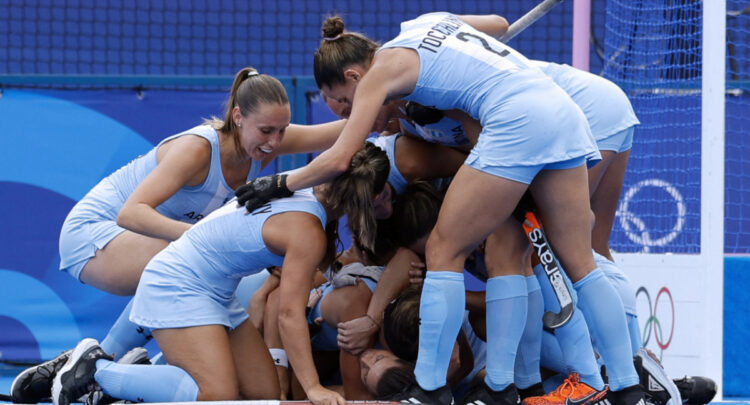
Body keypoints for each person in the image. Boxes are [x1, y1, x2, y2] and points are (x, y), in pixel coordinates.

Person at [232, 13, 644, 405]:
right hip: (561, 111)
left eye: (346, 102)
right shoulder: (424, 25)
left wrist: (280, 183)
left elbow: (341, 156)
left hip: (520, 121)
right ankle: (627, 386)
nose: (353, 113)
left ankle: (431, 388)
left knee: (444, 249)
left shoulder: (380, 77)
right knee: (579, 261)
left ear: (355, 76)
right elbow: (499, 25)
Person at [10, 67, 347, 404]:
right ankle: (98, 363)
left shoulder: (264, 139)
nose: (275, 141)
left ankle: (117, 369)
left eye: (282, 130)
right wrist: (203, 236)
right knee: (178, 262)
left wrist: (375, 93)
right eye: (267, 131)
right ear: (238, 117)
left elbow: (345, 132)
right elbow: (132, 212)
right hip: (93, 234)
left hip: (160, 245)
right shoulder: (199, 149)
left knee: (255, 381)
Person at [50, 142, 390, 405]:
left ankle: (136, 381)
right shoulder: (308, 232)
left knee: (262, 397)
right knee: (217, 396)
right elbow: (288, 315)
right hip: (178, 283)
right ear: (372, 196)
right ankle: (95, 370)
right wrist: (313, 387)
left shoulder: (295, 184)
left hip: (216, 291)